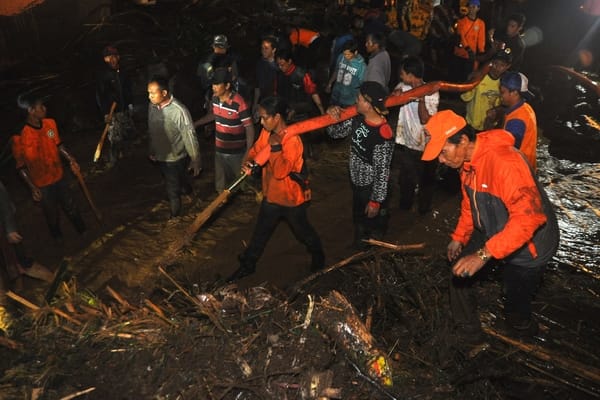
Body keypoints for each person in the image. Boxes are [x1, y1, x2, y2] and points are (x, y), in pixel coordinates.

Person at [421, 109, 559, 338]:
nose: (441, 160)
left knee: (515, 302)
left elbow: (529, 218)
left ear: (463, 140)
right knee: (458, 276)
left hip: (531, 248)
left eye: (443, 152)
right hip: (495, 229)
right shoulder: (467, 163)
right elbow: (469, 205)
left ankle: (523, 335)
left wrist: (483, 255)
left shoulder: (505, 163)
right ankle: (468, 334)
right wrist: (459, 237)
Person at [226, 96, 325, 282]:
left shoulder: (293, 141)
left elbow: (281, 172)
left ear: (277, 117)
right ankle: (248, 265)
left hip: (291, 200)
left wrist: (277, 147)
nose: (261, 122)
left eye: (264, 117)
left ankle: (318, 256)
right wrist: (248, 162)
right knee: (260, 233)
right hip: (271, 195)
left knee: (303, 232)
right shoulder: (266, 132)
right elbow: (256, 151)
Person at [326, 81, 394, 248]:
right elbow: (336, 133)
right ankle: (362, 238)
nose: (356, 100)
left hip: (370, 185)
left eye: (359, 98)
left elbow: (382, 172)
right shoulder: (357, 117)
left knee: (371, 217)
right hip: (356, 178)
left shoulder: (382, 135)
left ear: (369, 105)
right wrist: (331, 117)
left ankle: (369, 243)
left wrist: (376, 201)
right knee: (358, 213)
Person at [12, 95, 86, 243]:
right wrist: (32, 187)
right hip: (42, 182)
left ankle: (82, 230)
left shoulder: (49, 125)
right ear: (31, 110)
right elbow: (21, 166)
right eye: (41, 107)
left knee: (70, 204)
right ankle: (57, 236)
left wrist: (71, 159)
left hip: (59, 175)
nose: (45, 109)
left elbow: (57, 144)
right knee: (51, 212)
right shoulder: (20, 137)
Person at [0, 181, 54, 334]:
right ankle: (9, 322)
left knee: (21, 264)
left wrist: (10, 229)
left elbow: (4, 202)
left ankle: (59, 283)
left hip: (4, 233)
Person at [147, 76, 202, 220]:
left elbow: (189, 136)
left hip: (176, 157)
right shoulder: (152, 107)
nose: (150, 96)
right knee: (178, 180)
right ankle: (189, 192)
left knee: (172, 189)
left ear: (164, 93)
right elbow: (152, 129)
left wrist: (195, 159)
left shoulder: (179, 110)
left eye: (153, 93)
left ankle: (175, 216)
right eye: (148, 93)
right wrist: (152, 149)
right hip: (161, 155)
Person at [193, 69, 255, 192]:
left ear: (227, 85)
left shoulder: (238, 102)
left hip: (237, 152)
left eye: (217, 84)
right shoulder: (214, 98)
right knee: (220, 186)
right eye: (213, 84)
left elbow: (249, 127)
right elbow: (214, 115)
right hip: (220, 150)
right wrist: (196, 124)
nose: (214, 87)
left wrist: (248, 151)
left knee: (242, 185)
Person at [392, 55, 439, 214]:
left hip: (426, 145)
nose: (400, 76)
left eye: (403, 73)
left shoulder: (431, 92)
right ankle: (405, 208)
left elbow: (425, 119)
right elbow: (396, 91)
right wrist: (396, 91)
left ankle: (423, 210)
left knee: (426, 180)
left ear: (411, 75)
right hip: (408, 143)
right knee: (406, 179)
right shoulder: (404, 86)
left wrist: (421, 99)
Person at [95, 45, 135, 169]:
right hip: (112, 112)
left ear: (118, 57)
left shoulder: (123, 73)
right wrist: (105, 114)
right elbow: (99, 96)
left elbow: (128, 90)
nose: (111, 59)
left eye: (114, 56)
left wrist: (130, 105)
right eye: (108, 57)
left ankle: (125, 156)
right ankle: (112, 161)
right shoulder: (103, 75)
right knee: (113, 138)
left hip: (124, 110)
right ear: (105, 60)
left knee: (125, 134)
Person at [460, 49, 512, 131]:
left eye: (502, 65)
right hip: (472, 125)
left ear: (507, 66)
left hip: (491, 126)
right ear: (491, 63)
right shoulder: (480, 78)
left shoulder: (506, 84)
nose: (497, 67)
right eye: (495, 63)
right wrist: (470, 80)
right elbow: (465, 97)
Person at [499, 71, 538, 171]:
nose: (500, 95)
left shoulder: (516, 122)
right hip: (528, 165)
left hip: (518, 170)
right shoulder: (526, 107)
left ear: (514, 93)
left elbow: (508, 152)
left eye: (503, 92)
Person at [450, 0, 486, 82]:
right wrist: (468, 49)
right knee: (455, 76)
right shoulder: (461, 21)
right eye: (470, 6)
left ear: (478, 8)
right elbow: (461, 37)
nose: (471, 9)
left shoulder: (481, 23)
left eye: (474, 7)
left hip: (470, 57)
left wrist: (481, 53)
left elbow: (481, 40)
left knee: (466, 78)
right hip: (460, 53)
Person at [325, 39, 367, 107]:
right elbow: (336, 71)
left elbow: (362, 84)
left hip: (349, 101)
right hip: (336, 95)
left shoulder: (362, 66)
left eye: (348, 54)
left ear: (355, 52)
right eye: (344, 54)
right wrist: (330, 84)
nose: (345, 56)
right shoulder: (341, 57)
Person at [253, 35, 279, 118]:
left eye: (266, 48)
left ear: (274, 50)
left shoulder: (280, 66)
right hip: (263, 101)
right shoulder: (260, 64)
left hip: (276, 103)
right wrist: (255, 103)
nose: (263, 51)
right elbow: (258, 86)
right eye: (262, 48)